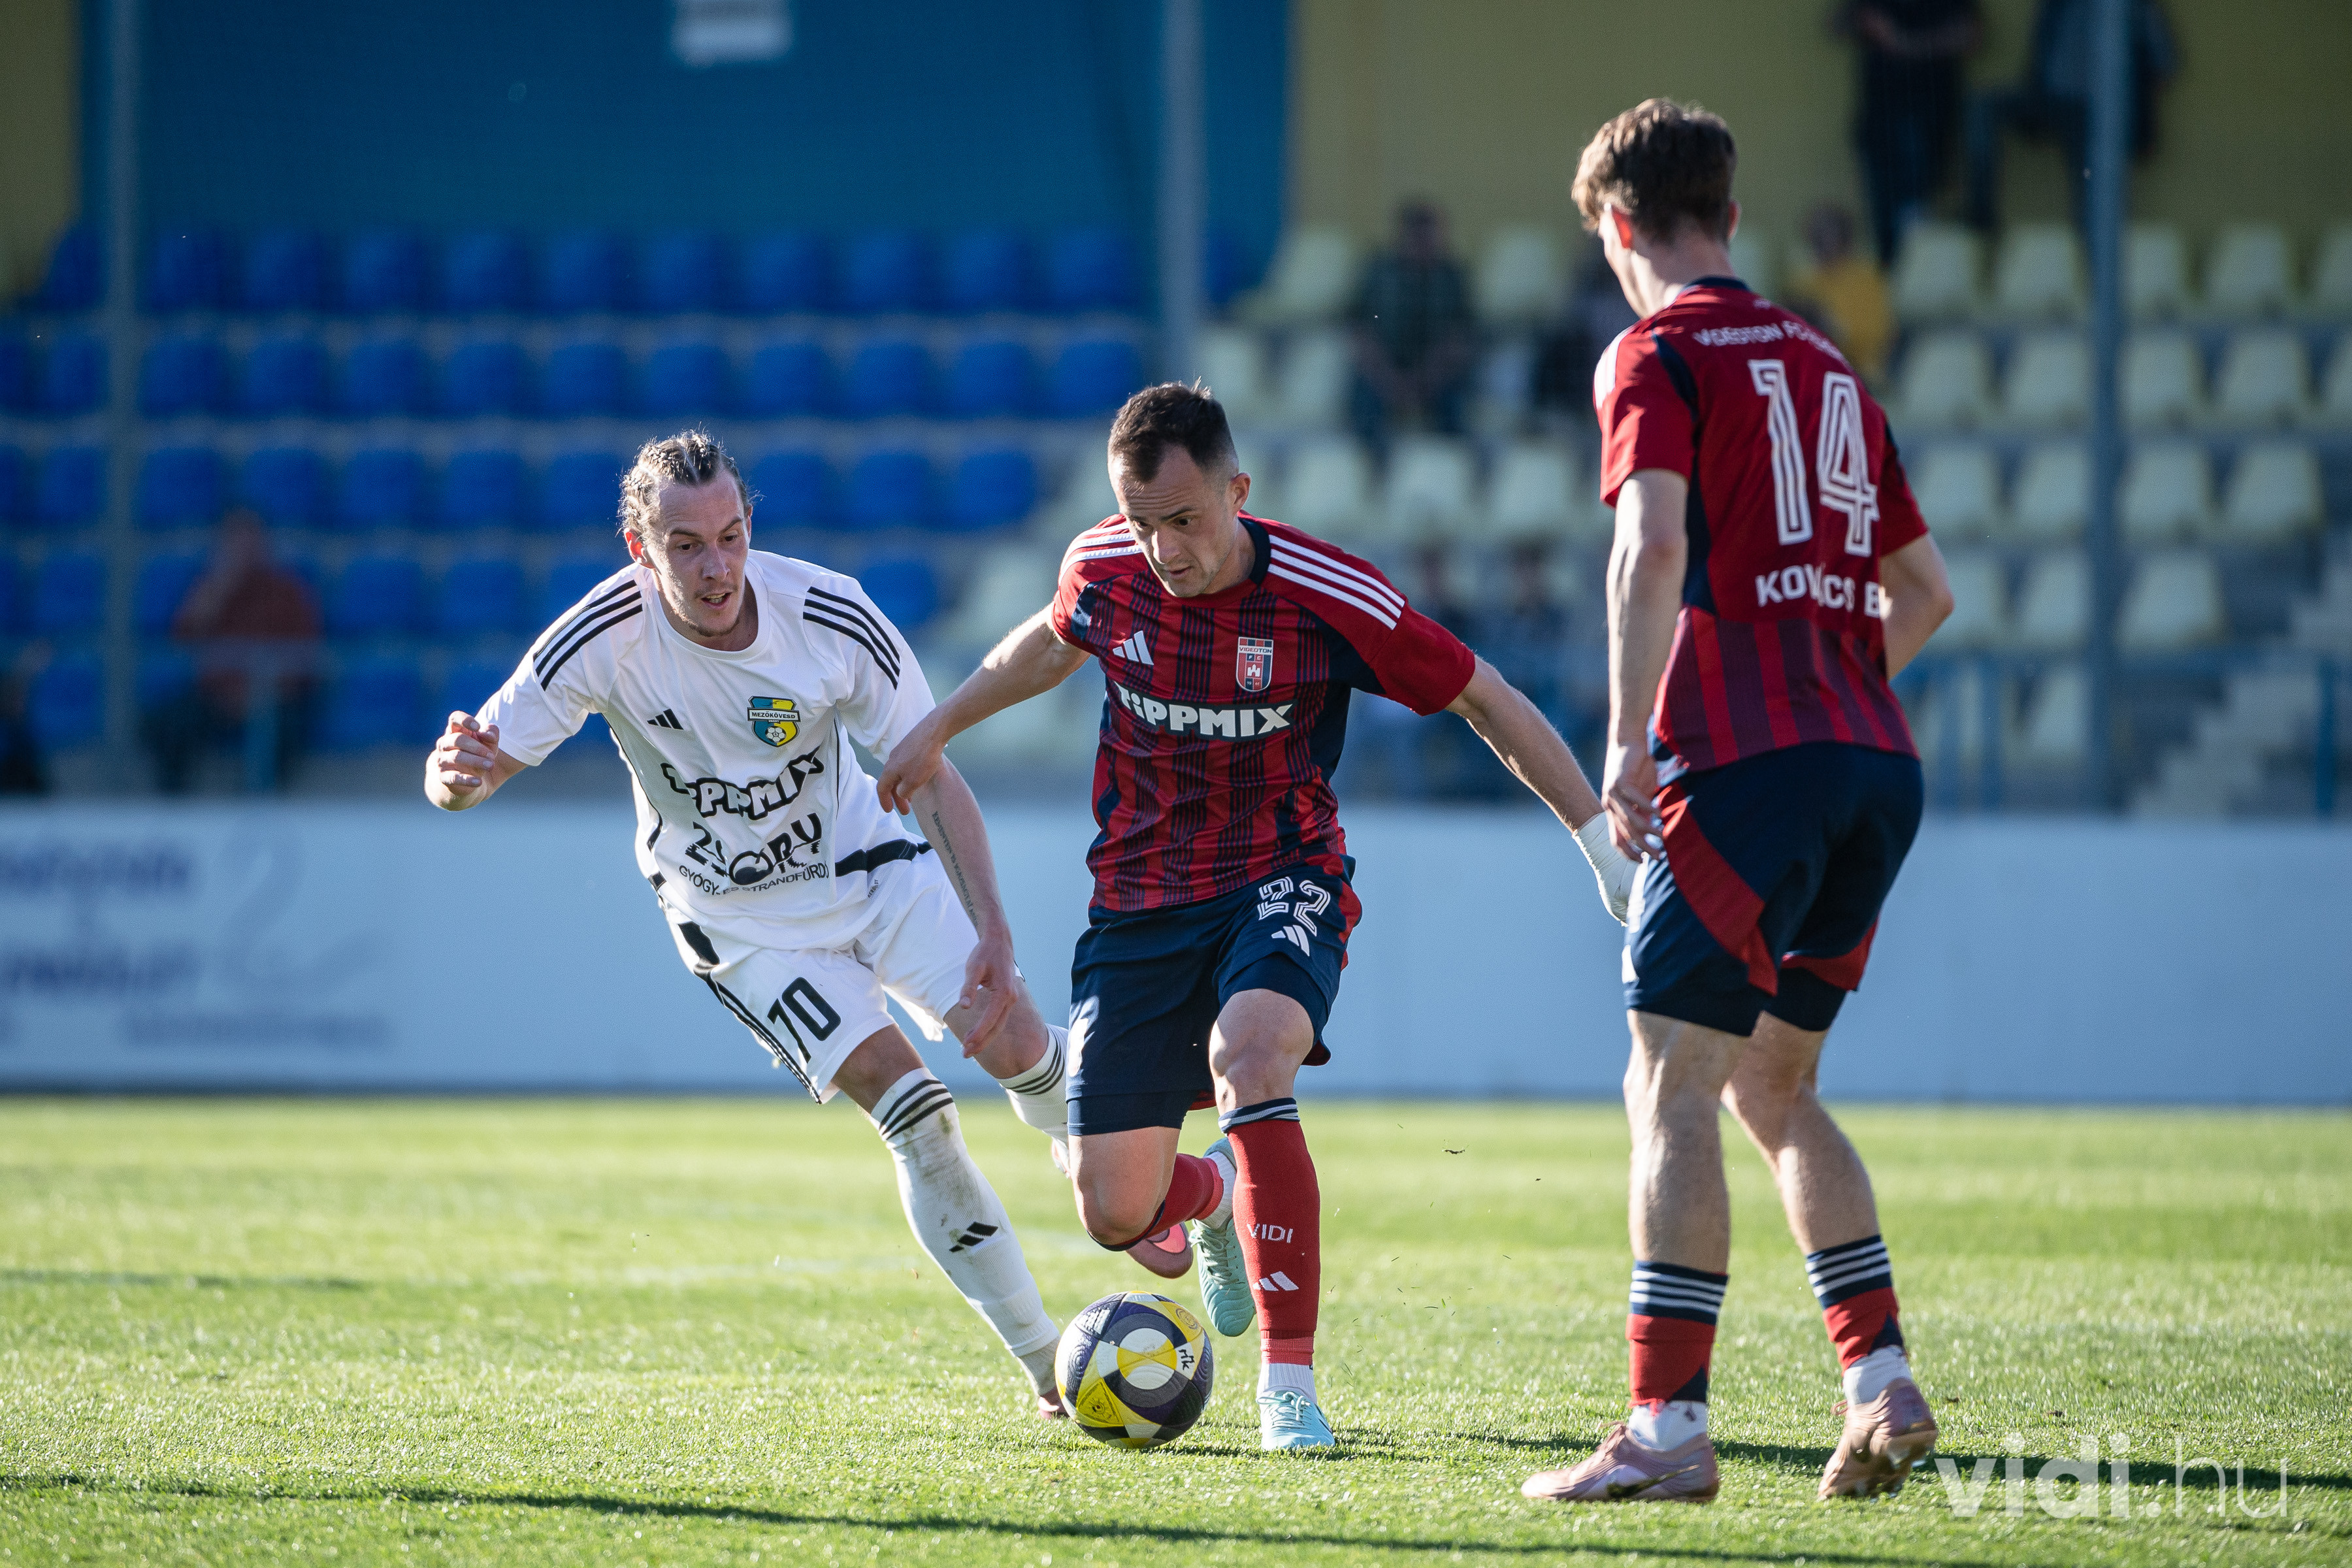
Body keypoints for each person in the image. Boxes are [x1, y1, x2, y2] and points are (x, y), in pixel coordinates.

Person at [876, 383, 1637, 1451]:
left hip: (1281, 875)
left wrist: (1597, 841)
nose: (1164, 550)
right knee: (1114, 1212)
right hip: (1138, 903)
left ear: (1239, 491)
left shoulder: (1328, 595)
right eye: (1141, 522)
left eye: (1185, 520)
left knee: (1252, 1054)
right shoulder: (1104, 567)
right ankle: (1214, 1195)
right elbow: (1052, 640)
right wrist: (941, 725)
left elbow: (1484, 695)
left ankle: (1289, 1389)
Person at [423, 431, 1076, 1418]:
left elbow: (931, 774)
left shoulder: (831, 616)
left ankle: (1125, 1165)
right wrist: (453, 781)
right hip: (742, 926)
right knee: (917, 1114)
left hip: (868, 868)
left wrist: (996, 931)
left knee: (1021, 1047)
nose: (716, 567)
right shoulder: (601, 635)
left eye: (730, 537)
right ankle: (1046, 1364)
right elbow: (476, 767)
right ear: (640, 549)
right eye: (686, 546)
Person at [1519, 101, 1956, 1506]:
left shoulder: (1654, 351)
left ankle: (1666, 1428)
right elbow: (1927, 595)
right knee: (1775, 1084)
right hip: (1874, 765)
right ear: (1733, 217)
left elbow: (1650, 548)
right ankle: (1880, 1379)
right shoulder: (1831, 365)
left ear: (1618, 225)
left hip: (1744, 769)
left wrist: (1627, 742)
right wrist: (1828, 688)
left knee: (1670, 1077)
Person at [144, 506, 321, 793]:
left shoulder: (287, 591)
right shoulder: (211, 587)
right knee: (169, 723)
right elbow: (184, 636)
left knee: (286, 729)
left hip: (272, 698)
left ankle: (257, 804)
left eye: (250, 540)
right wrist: (221, 587)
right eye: (235, 541)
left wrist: (262, 692)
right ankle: (174, 805)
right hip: (218, 697)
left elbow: (303, 657)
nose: (243, 549)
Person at [1962, 0, 2177, 233]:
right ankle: (1980, 211)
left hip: (2100, 113)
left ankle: (2092, 235)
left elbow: (2164, 64)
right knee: (1984, 108)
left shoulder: (2135, 6)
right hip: (2053, 103)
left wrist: (2128, 107)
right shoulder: (2057, 5)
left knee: (2092, 174)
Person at [1835, 0, 1982, 266]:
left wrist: (1904, 42)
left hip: (1930, 111)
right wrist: (1868, 25)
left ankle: (1918, 275)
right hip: (1879, 111)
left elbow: (1970, 36)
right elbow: (1838, 25)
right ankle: (1890, 274)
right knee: (1883, 218)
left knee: (1917, 211)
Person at [1348, 202, 1477, 454]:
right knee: (1363, 405)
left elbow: (1459, 339)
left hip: (1437, 374)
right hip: (1384, 371)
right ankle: (1372, 464)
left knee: (1455, 407)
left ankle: (1451, 460)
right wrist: (1390, 381)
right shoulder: (1378, 274)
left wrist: (1427, 379)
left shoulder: (1452, 277)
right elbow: (1361, 334)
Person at [1784, 204, 1895, 385]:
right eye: (1815, 236)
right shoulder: (1803, 281)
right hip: (1814, 369)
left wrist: (1833, 327)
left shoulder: (1866, 277)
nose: (1819, 241)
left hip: (1861, 372)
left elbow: (1878, 336)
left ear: (1845, 238)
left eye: (1825, 234)